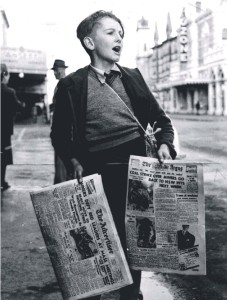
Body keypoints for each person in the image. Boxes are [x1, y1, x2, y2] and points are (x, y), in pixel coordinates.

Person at [51, 10, 177, 300]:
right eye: (110, 32)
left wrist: (164, 145)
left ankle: (132, 294)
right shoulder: (71, 85)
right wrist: (73, 161)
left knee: (135, 239)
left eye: (121, 33)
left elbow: (162, 121)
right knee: (93, 243)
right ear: (89, 42)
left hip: (136, 173)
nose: (119, 37)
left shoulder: (133, 77)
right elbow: (60, 135)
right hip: (95, 173)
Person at [1, 63, 24, 191]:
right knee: (2, 156)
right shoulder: (9, 92)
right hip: (4, 131)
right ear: (4, 75)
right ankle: (1, 181)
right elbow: (19, 106)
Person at [50, 59, 69, 184]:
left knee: (61, 162)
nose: (54, 73)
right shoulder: (64, 84)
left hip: (62, 130)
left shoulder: (64, 85)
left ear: (61, 70)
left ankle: (62, 185)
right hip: (61, 130)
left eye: (56, 70)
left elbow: (62, 110)